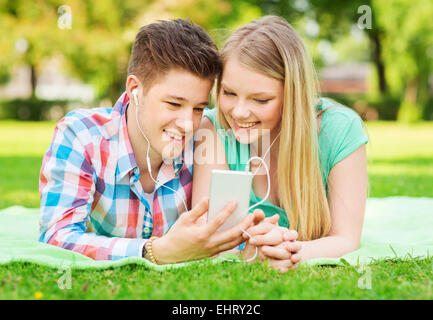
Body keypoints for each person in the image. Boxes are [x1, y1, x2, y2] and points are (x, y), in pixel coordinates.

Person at [39, 19, 264, 263]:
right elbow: (57, 237)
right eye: (174, 104)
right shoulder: (81, 135)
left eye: (199, 108)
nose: (188, 123)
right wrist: (154, 251)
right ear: (135, 88)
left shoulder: (207, 136)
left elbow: (222, 239)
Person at [192, 16, 369, 272]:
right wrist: (254, 252)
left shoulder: (341, 129)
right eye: (229, 93)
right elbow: (210, 234)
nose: (239, 112)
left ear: (292, 95)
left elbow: (346, 238)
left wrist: (289, 252)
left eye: (261, 100)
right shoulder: (213, 129)